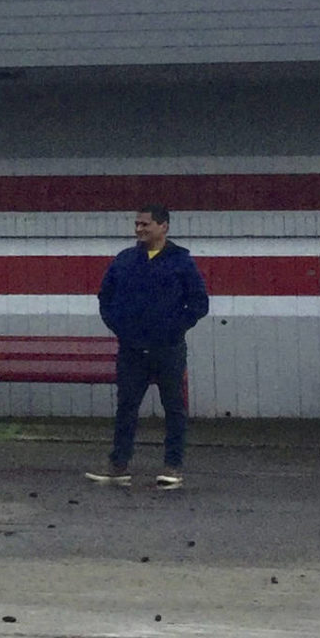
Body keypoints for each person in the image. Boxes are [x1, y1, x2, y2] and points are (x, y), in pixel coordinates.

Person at [87, 207, 210, 491]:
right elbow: (106, 296)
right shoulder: (125, 260)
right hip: (132, 348)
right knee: (127, 406)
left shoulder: (181, 262)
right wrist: (120, 326)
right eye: (136, 224)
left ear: (163, 226)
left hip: (168, 348)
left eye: (145, 223)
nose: (139, 229)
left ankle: (172, 466)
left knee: (173, 407)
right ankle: (118, 466)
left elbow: (199, 303)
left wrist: (175, 328)